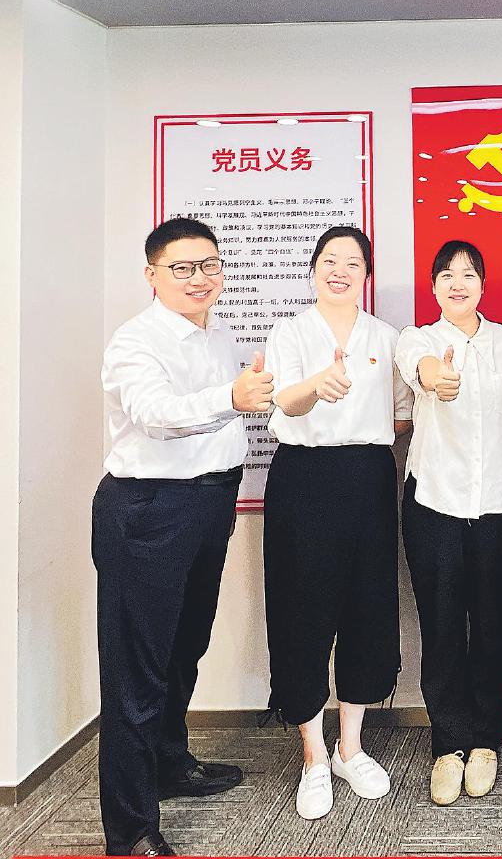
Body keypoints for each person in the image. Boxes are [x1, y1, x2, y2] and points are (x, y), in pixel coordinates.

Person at [94, 217, 274, 857]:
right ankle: (130, 829)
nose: (200, 278)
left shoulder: (219, 334)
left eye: (210, 265)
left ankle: (170, 764)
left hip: (208, 503)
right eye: (183, 268)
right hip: (149, 511)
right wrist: (232, 395)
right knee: (136, 671)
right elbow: (157, 416)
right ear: (152, 274)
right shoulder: (135, 342)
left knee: (183, 647)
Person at [263, 226, 412, 821]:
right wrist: (315, 387)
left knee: (367, 608)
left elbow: (401, 417)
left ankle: (350, 747)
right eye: (330, 260)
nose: (340, 271)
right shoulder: (291, 332)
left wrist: (361, 437)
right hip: (304, 477)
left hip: (369, 477)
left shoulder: (386, 336)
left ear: (367, 274)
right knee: (301, 611)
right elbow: (285, 401)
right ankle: (313, 757)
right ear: (313, 269)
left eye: (353, 262)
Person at [396, 241, 502, 808]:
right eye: (447, 275)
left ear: (483, 284)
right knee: (439, 624)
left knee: (492, 622)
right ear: (434, 286)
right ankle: (448, 743)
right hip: (434, 501)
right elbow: (423, 370)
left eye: (468, 274)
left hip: (500, 503)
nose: (457, 283)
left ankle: (485, 741)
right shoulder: (417, 339)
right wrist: (438, 377)